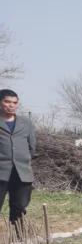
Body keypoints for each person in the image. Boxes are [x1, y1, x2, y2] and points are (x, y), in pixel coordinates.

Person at [0, 89, 36, 232]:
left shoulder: (25, 123)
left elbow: (32, 147)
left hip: (21, 172)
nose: (11, 105)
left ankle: (17, 239)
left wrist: (24, 159)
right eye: (7, 102)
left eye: (14, 102)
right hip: (1, 172)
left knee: (20, 206)